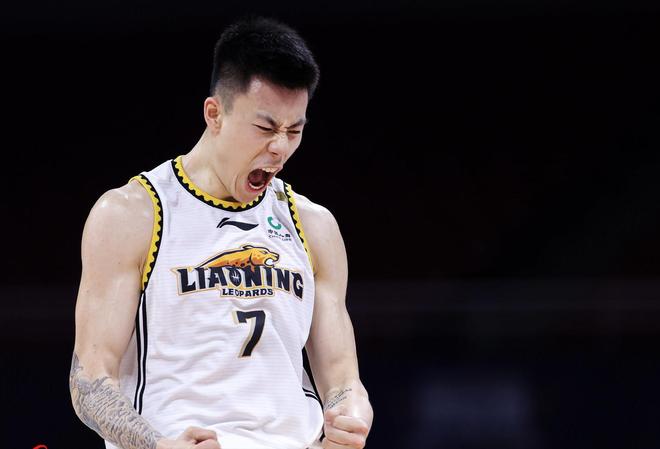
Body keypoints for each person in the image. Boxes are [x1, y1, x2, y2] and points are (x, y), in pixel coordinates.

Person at [69, 17, 373, 449]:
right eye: (265, 128)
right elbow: (89, 381)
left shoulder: (312, 224)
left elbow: (344, 380)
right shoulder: (134, 214)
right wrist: (157, 445)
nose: (280, 148)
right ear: (214, 114)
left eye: (295, 131)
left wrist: (352, 415)